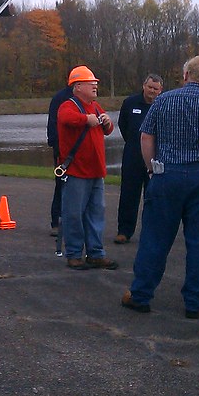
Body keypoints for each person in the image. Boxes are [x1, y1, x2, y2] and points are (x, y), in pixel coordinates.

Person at [121, 56, 199, 318]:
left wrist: (151, 168)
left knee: (155, 239)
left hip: (167, 175)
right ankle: (194, 302)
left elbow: (146, 136)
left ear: (185, 75)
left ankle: (141, 295)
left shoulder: (163, 100)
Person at [56, 65, 117, 271]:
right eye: (92, 83)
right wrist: (86, 120)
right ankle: (74, 254)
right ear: (78, 86)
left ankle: (96, 253)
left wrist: (107, 122)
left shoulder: (96, 106)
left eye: (96, 83)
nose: (95, 86)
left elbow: (108, 130)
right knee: (73, 214)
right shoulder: (68, 105)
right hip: (76, 172)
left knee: (96, 214)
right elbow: (65, 118)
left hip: (96, 172)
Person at [114, 74, 164, 244]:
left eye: (155, 89)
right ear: (144, 86)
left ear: (160, 90)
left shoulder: (163, 104)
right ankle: (124, 231)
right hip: (133, 155)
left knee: (154, 196)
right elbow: (123, 125)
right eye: (150, 87)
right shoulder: (130, 103)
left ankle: (151, 232)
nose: (152, 91)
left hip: (155, 158)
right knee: (129, 194)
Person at [46, 82, 74, 236]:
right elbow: (52, 123)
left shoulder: (87, 98)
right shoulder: (60, 98)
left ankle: (73, 222)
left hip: (80, 150)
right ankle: (56, 222)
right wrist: (56, 146)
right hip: (62, 150)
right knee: (61, 184)